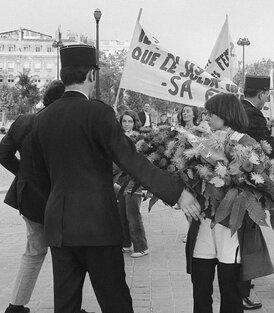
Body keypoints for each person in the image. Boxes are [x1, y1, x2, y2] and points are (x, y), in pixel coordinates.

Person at [31, 44, 202, 313]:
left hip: (60, 227)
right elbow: (131, 160)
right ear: (91, 75)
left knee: (65, 304)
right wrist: (177, 192)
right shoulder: (98, 112)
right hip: (97, 225)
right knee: (115, 302)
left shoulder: (41, 119)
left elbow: (38, 176)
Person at [185, 93, 274, 313]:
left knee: (231, 289)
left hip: (231, 226)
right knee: (200, 284)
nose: (207, 117)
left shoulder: (246, 143)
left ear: (226, 114)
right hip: (205, 222)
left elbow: (259, 180)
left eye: (211, 113)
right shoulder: (202, 140)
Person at [0, 81, 65, 313]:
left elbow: (3, 153)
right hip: (58, 199)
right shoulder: (61, 124)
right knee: (65, 255)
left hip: (28, 199)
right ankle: (67, 306)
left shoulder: (22, 121)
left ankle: (15, 305)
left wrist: (24, 173)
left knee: (34, 251)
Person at [239, 75, 274, 309]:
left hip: (237, 178)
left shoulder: (237, 108)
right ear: (262, 94)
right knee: (249, 236)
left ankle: (243, 281)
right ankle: (242, 290)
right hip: (250, 181)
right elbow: (265, 145)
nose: (268, 99)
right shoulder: (254, 114)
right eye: (268, 94)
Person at [116, 110, 150, 258]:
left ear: (134, 122)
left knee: (133, 215)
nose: (127, 124)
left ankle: (141, 247)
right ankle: (126, 244)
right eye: (124, 121)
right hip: (118, 179)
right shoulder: (116, 137)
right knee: (121, 213)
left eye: (130, 121)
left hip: (134, 180)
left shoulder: (140, 138)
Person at [241, 75, 274, 160]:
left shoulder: (235, 107)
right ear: (260, 94)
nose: (266, 100)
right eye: (266, 96)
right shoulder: (254, 114)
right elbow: (270, 148)